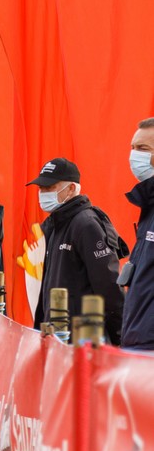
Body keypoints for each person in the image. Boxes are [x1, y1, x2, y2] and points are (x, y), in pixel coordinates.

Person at [25, 157, 126, 343]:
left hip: (82, 341)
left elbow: (108, 286)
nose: (42, 193)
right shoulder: (54, 226)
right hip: (56, 338)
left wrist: (120, 337)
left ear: (71, 188)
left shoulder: (86, 224)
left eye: (49, 187)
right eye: (40, 188)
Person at [121, 117, 154, 351]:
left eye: (143, 148)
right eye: (133, 147)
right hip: (137, 341)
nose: (134, 156)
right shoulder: (149, 204)